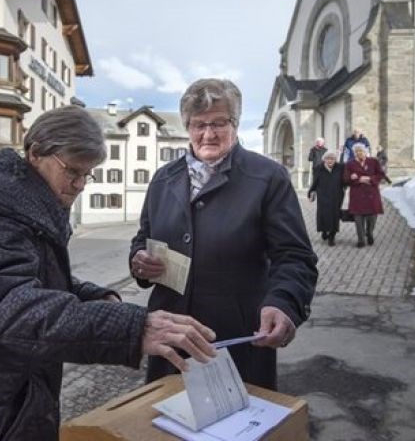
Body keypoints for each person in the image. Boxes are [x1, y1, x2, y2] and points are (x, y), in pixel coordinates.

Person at [0, 106, 217, 440]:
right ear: (35, 153)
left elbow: (37, 278)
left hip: (7, 400)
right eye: (72, 171)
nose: (80, 184)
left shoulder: (30, 207)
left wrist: (93, 296)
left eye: (88, 174)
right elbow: (7, 306)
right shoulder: (0, 216)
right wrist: (130, 328)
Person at [129, 79, 318, 391]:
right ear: (187, 126)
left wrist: (283, 302)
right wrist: (138, 261)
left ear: (236, 123)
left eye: (219, 122)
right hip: (171, 338)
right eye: (198, 124)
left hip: (236, 338)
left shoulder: (267, 178)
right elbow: (143, 237)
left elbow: (295, 257)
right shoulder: (163, 179)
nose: (208, 133)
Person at [344, 144, 385, 248]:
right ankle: (361, 239)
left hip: (372, 193)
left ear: (365, 151)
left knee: (372, 217)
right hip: (357, 194)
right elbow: (345, 178)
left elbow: (380, 174)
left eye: (361, 151)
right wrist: (357, 179)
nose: (359, 153)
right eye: (357, 151)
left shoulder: (373, 161)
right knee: (358, 219)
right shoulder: (350, 164)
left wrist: (370, 179)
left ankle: (369, 233)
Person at [308, 150, 345, 246]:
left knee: (334, 216)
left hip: (336, 196)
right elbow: (315, 182)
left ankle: (332, 237)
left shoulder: (340, 168)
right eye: (328, 158)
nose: (330, 160)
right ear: (324, 159)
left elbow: (345, 180)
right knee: (323, 215)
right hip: (323, 196)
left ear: (335, 160)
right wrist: (311, 192)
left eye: (332, 159)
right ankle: (324, 230)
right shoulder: (318, 168)